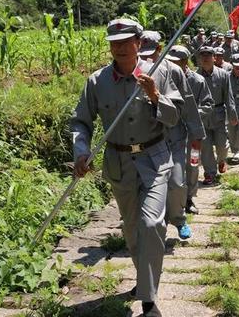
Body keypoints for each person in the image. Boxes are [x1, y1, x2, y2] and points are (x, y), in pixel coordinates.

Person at [70, 18, 183, 317]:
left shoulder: (161, 72)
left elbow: (174, 117)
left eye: (125, 41)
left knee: (151, 224)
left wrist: (155, 96)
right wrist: (81, 151)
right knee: (132, 230)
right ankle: (143, 279)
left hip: (155, 159)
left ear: (138, 42)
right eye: (114, 42)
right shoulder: (97, 82)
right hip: (119, 163)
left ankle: (148, 299)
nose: (119, 47)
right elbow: (80, 121)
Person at [139, 31, 205, 239]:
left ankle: (179, 219)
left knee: (176, 182)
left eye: (152, 53)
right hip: (146, 140)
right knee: (148, 186)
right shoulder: (133, 71)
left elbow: (187, 104)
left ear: (160, 50)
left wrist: (196, 134)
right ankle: (155, 225)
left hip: (174, 137)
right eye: (143, 54)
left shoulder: (173, 71)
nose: (148, 58)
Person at [165, 45, 214, 214]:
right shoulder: (164, 78)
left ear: (185, 62)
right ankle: (170, 202)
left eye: (176, 62)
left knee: (193, 165)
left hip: (193, 133)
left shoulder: (198, 81)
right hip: (171, 132)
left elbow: (208, 104)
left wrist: (192, 113)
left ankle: (189, 199)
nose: (172, 65)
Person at [196, 46, 237, 185]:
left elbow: (229, 96)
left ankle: (221, 160)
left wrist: (232, 114)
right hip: (202, 116)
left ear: (214, 58)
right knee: (206, 146)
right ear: (199, 59)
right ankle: (210, 173)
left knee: (222, 144)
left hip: (219, 114)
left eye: (209, 55)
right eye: (203, 55)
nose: (206, 58)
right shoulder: (195, 76)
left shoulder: (223, 75)